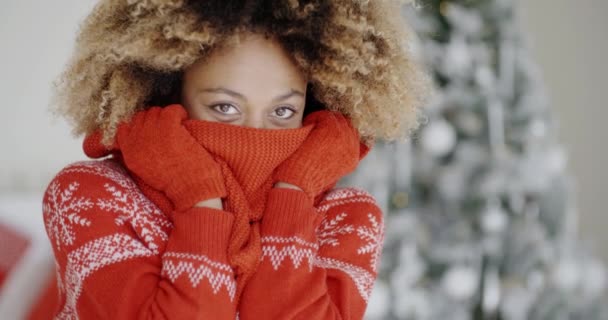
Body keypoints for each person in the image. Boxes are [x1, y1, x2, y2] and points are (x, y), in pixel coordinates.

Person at [41, 1, 427, 319]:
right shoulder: (90, 196)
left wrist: (293, 191)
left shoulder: (345, 218)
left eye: (282, 112)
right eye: (224, 107)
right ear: (165, 92)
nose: (255, 136)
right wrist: (197, 196)